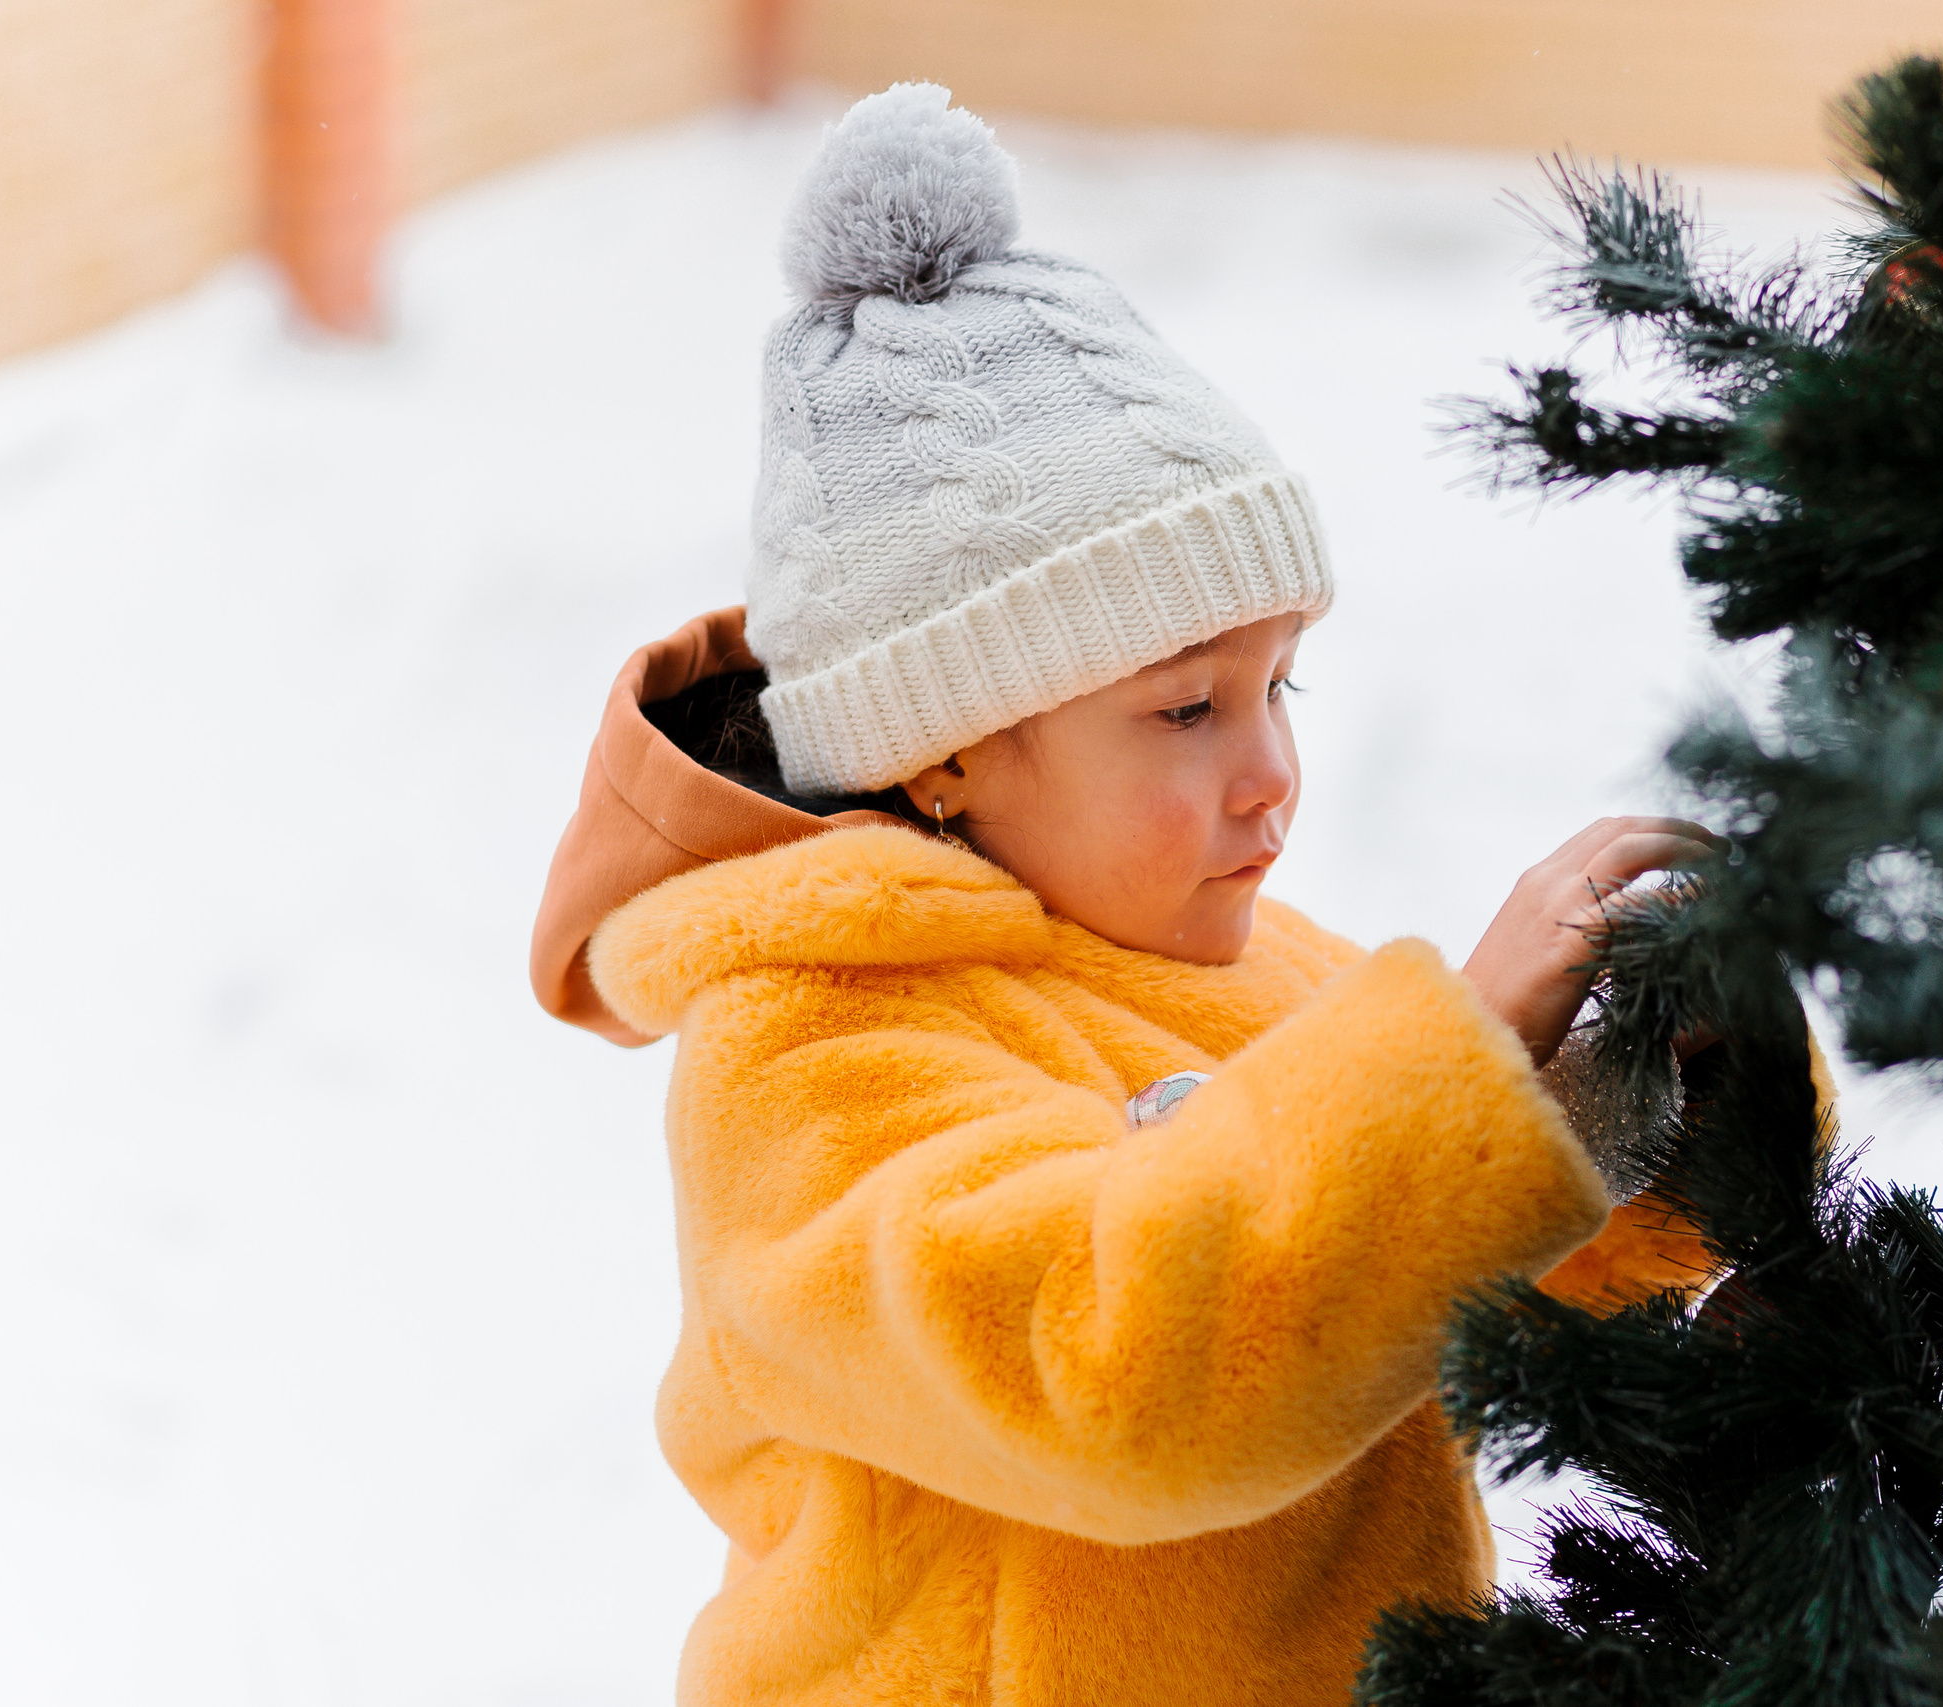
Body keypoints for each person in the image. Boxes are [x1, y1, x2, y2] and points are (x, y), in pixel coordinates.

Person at [528, 83, 1742, 1707]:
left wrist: (1649, 1086)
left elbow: (1435, 1273)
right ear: (946, 752)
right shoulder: (809, 1065)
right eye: (1186, 708)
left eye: (1281, 686)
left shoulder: (1255, 968)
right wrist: (1454, 1061)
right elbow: (1123, 1379)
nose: (1271, 775)